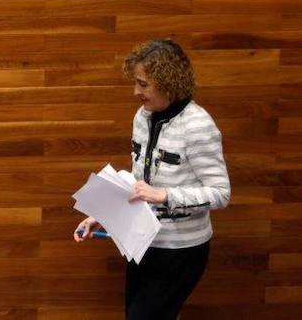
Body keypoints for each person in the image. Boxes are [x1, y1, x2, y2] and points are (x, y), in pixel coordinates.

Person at [74, 39, 231, 320]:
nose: (136, 91)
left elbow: (220, 193)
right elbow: (138, 185)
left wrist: (166, 195)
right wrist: (104, 215)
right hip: (143, 243)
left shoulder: (198, 125)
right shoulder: (142, 117)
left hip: (181, 251)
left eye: (143, 84)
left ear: (167, 82)